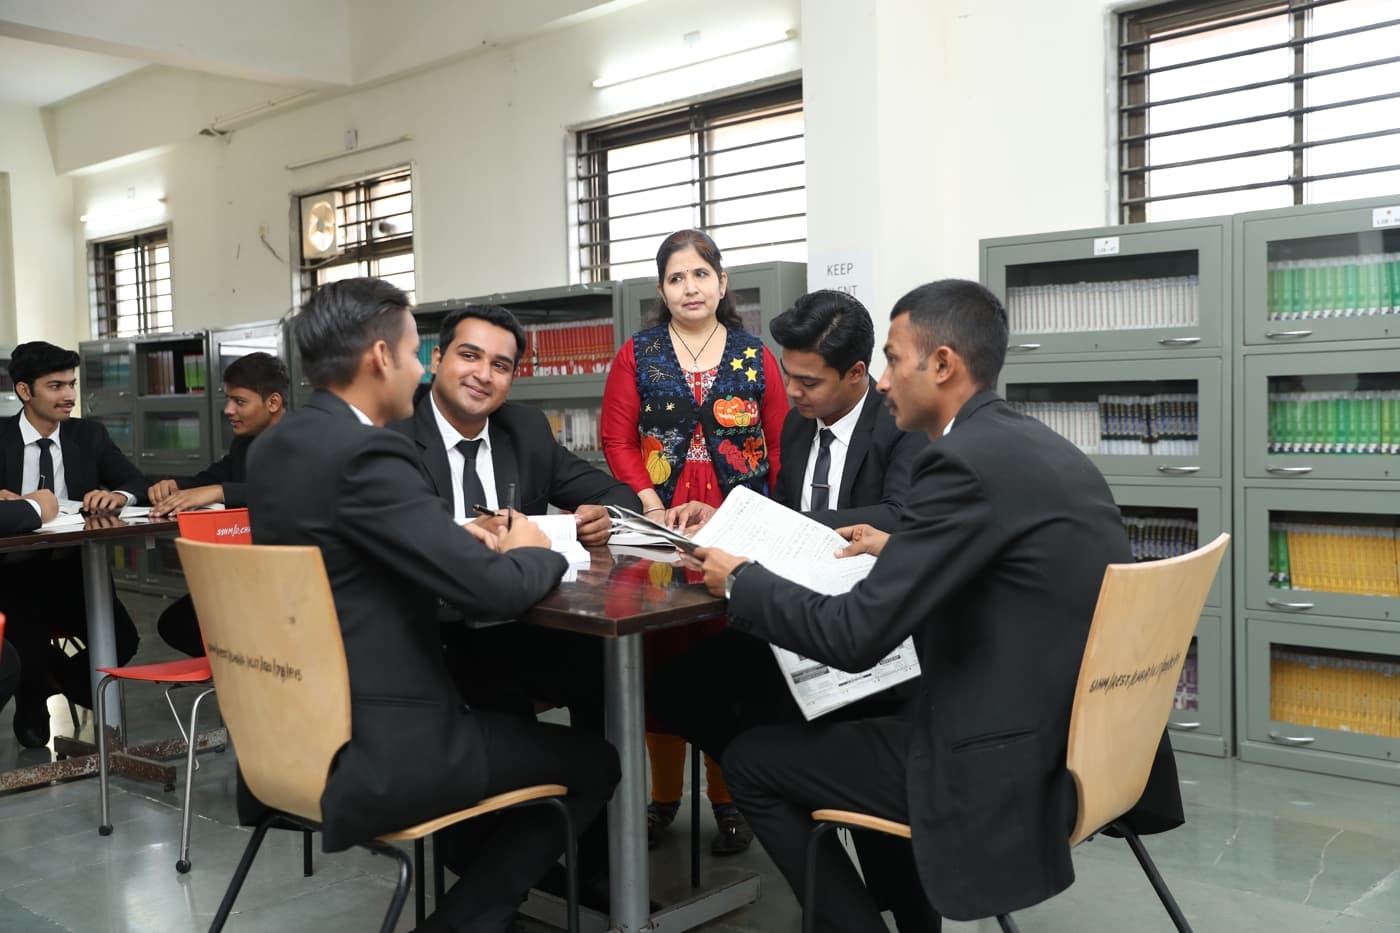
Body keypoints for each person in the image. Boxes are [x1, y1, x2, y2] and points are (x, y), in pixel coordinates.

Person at [694, 280, 1185, 931]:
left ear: (944, 364)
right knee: (862, 717)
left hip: (998, 766)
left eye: (894, 360)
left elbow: (852, 637)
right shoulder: (1040, 447)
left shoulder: (957, 464)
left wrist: (742, 579)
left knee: (752, 759)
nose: (884, 381)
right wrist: (902, 545)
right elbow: (1010, 562)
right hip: (1090, 749)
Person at [247, 277, 619, 933]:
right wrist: (536, 549)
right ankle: (463, 919)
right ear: (380, 357)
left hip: (295, 729)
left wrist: (448, 542)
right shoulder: (368, 452)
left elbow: (360, 551)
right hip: (387, 740)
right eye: (416, 353)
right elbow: (494, 589)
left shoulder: (278, 444)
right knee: (596, 761)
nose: (420, 370)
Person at [649, 288, 927, 759]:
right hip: (789, 616)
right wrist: (726, 522)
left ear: (856, 372)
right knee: (673, 690)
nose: (792, 391)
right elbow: (777, 511)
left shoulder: (901, 422)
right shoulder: (799, 424)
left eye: (809, 381)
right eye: (788, 375)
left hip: (862, 625)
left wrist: (791, 523)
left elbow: (896, 516)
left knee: (769, 716)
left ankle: (770, 775)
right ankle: (756, 774)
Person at [600, 228, 788, 855]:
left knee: (729, 656)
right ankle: (662, 799)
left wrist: (750, 517)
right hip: (661, 531)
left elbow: (780, 443)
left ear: (722, 282)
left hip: (738, 525)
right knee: (662, 656)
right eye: (676, 278)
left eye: (700, 274)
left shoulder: (756, 355)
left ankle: (729, 799)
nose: (690, 287)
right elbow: (617, 438)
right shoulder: (638, 354)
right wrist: (651, 505)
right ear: (661, 290)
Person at [0, 341, 146, 748]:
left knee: (123, 639)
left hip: (75, 570)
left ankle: (54, 679)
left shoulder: (89, 435)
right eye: (56, 386)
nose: (69, 395)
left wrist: (118, 496)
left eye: (71, 384)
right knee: (24, 649)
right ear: (25, 391)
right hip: (13, 574)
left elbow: (136, 481)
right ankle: (32, 694)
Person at [147, 351, 289, 657]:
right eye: (228, 400)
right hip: (244, 574)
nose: (228, 410)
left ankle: (253, 668)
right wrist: (173, 487)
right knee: (176, 624)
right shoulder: (245, 443)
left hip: (287, 579)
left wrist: (219, 492)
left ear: (273, 402)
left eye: (239, 401)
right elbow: (210, 478)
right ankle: (246, 668)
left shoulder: (302, 441)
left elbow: (286, 491)